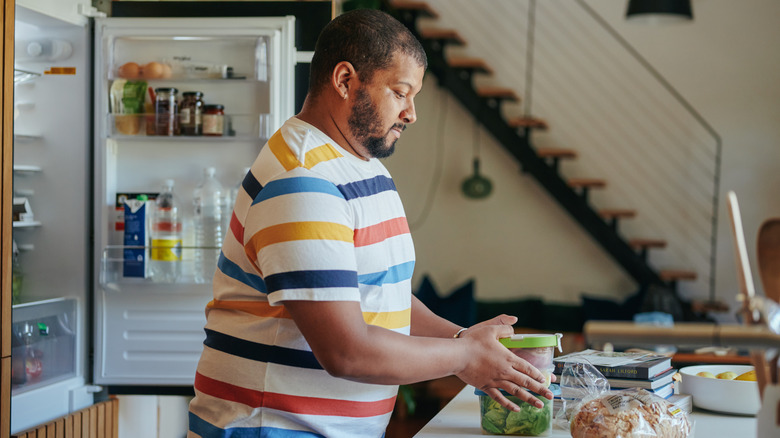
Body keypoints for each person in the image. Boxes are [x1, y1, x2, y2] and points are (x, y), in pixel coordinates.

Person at [187, 9, 552, 438]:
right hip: (273, 428)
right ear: (345, 81)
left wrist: (463, 340)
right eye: (401, 92)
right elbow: (346, 352)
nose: (411, 113)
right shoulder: (302, 181)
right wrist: (463, 359)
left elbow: (381, 296)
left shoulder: (360, 165)